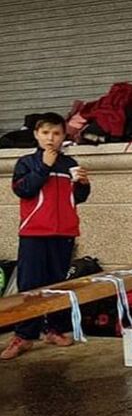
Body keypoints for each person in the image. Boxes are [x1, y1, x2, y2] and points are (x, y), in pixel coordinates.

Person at [2, 112, 90, 360]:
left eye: (56, 133)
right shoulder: (26, 163)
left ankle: (54, 329)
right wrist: (44, 166)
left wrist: (83, 184)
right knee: (30, 285)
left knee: (58, 284)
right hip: (34, 233)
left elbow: (78, 198)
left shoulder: (69, 163)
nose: (51, 138)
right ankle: (24, 335)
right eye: (45, 132)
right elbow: (24, 189)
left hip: (64, 233)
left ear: (63, 136)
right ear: (36, 134)